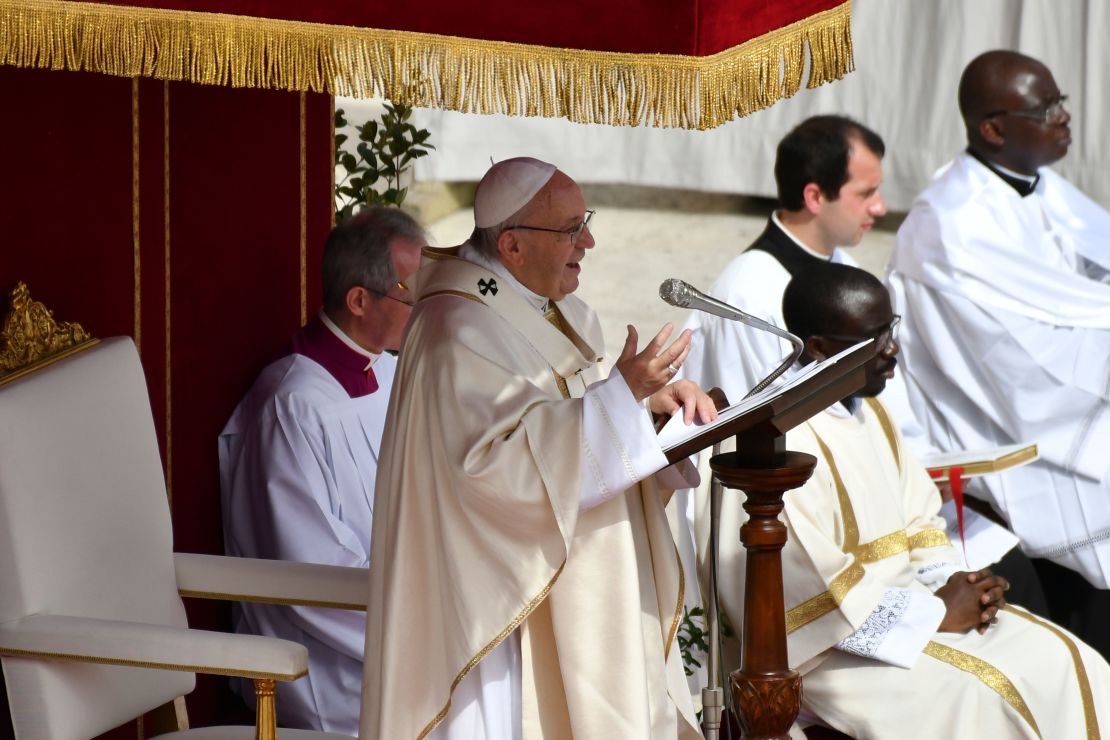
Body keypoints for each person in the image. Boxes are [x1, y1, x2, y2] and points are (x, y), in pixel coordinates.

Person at [361, 157, 718, 739]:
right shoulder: (457, 329)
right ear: (513, 246)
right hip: (491, 608)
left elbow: (559, 411)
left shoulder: (542, 307)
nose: (590, 240)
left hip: (549, 585)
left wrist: (645, 405)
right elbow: (492, 474)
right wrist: (619, 398)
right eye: (571, 229)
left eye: (586, 221)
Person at [711, 261, 1110, 738]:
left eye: (891, 328)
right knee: (993, 694)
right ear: (817, 348)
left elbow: (922, 522)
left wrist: (960, 584)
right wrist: (934, 613)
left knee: (1070, 658)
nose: (893, 349)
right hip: (832, 655)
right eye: (876, 338)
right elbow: (807, 594)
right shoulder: (775, 438)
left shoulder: (870, 410)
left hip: (919, 605)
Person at [679, 115, 1041, 610]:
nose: (880, 207)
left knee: (1013, 564)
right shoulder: (750, 292)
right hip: (809, 526)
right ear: (814, 197)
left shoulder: (842, 269)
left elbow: (879, 409)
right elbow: (766, 429)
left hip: (885, 491)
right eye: (865, 192)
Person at [887, 49, 1110, 657]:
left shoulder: (1040, 186)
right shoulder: (948, 226)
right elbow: (1013, 362)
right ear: (993, 128)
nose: (1065, 119)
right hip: (998, 429)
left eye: (1061, 102)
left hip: (1048, 407)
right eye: (1048, 109)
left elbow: (1084, 286)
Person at [219, 206, 424, 733]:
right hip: (322, 658)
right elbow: (310, 570)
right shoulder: (292, 406)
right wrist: (421, 623)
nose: (422, 310)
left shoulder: (389, 371)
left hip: (391, 610)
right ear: (359, 300)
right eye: (410, 295)